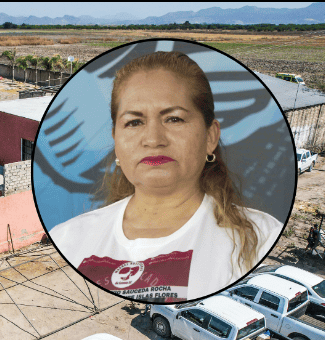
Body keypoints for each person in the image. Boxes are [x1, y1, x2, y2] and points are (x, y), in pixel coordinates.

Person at [47, 51, 283, 302]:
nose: (153, 140)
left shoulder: (260, 239)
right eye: (134, 122)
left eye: (174, 119)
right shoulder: (69, 238)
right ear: (116, 140)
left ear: (210, 136)